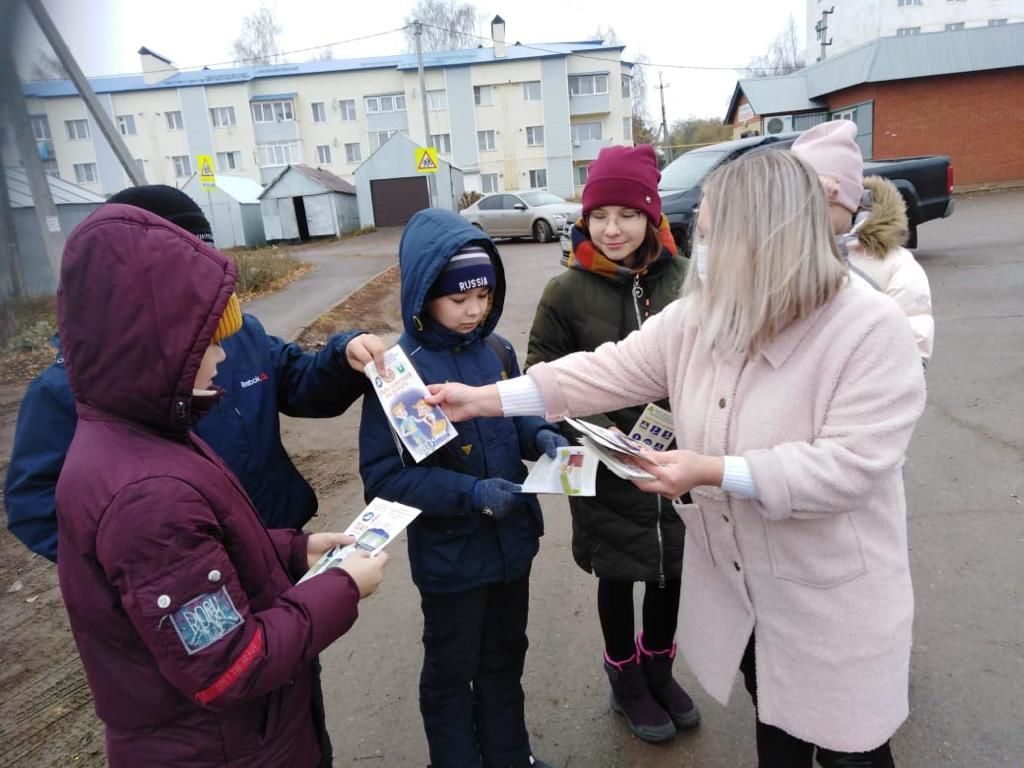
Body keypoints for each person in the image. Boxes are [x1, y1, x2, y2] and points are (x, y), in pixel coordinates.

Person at [428, 150, 927, 767]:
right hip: (754, 591)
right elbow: (603, 371)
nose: (703, 253)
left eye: (717, 237)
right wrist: (484, 399)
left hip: (833, 601)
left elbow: (851, 466)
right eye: (703, 236)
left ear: (772, 239)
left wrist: (714, 471)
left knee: (853, 749)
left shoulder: (868, 328)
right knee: (778, 730)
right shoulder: (705, 315)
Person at [53, 202, 389, 767]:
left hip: (248, 727)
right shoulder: (148, 496)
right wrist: (343, 588)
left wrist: (291, 547)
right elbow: (231, 665)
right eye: (206, 342)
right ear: (156, 346)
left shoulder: (148, 429)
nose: (224, 355)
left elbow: (210, 534)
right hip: (225, 745)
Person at [4, 185, 385, 561]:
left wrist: (342, 358)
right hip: (188, 579)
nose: (206, 281)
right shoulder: (69, 388)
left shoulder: (239, 336)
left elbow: (300, 383)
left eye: (209, 259)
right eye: (189, 264)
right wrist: (160, 558)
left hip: (280, 546)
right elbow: (37, 506)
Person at [358, 209, 566, 768]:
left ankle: (509, 756)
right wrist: (468, 495)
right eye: (458, 299)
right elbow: (385, 477)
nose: (474, 309)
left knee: (505, 658)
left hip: (512, 547)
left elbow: (511, 417)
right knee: (452, 671)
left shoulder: (496, 352)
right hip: (452, 559)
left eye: (483, 295)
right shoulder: (399, 373)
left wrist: (539, 433)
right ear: (425, 293)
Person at [525, 144, 697, 742]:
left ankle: (659, 666)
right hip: (604, 465)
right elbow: (541, 374)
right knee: (617, 571)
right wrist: (593, 438)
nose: (612, 228)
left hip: (678, 462)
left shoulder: (688, 278)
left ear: (652, 216)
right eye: (600, 215)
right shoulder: (565, 292)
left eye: (626, 214)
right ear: (584, 219)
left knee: (672, 570)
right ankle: (625, 678)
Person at [791, 120, 934, 366]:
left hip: (868, 387)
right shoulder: (786, 253)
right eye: (799, 204)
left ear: (849, 199)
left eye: (821, 205)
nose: (809, 215)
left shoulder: (893, 263)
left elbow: (912, 343)